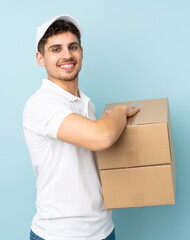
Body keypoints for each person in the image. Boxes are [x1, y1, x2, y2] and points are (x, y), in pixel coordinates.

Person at [23, 14, 139, 240]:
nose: (67, 55)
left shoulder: (85, 103)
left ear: (81, 52)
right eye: (55, 49)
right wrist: (118, 112)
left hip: (103, 230)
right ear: (40, 58)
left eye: (72, 47)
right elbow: (101, 137)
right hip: (60, 234)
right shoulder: (41, 104)